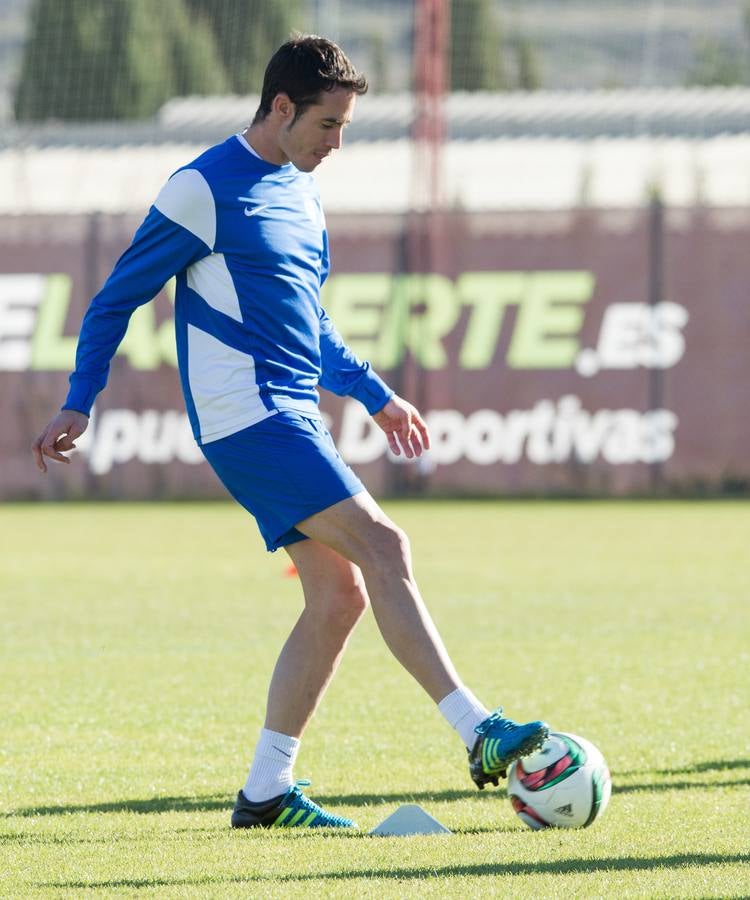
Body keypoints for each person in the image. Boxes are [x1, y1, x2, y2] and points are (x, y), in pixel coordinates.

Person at [31, 35, 548, 830]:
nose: (336, 143)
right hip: (247, 417)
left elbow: (308, 327)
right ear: (280, 107)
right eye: (329, 123)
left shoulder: (302, 193)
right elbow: (114, 299)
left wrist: (375, 395)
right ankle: (478, 732)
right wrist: (81, 398)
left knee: (338, 595)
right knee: (385, 547)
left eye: (344, 126)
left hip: (291, 410)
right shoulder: (200, 189)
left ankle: (266, 793)